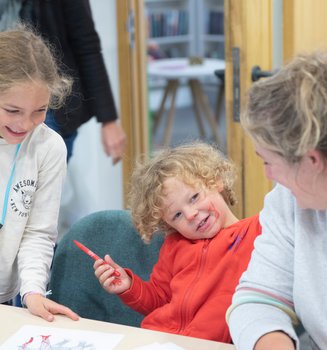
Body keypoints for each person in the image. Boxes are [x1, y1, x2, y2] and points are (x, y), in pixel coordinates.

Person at [226, 38, 327, 349]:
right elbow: (257, 298)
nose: (268, 175)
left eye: (268, 161)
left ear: (312, 161)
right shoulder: (290, 200)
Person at [93, 142, 261, 343]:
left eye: (194, 197)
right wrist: (128, 286)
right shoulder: (175, 245)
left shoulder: (255, 233)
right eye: (177, 215)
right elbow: (157, 300)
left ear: (216, 181)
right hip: (157, 339)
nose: (191, 215)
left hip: (208, 345)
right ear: (167, 223)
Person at [0, 25, 78, 322]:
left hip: (7, 299)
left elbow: (38, 233)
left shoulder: (49, 148)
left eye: (40, 110)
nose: (26, 123)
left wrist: (32, 291)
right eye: (13, 110)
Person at [0, 0, 126, 163]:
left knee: (38, 178)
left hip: (53, 106)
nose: (24, 126)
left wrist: (108, 120)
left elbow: (87, 47)